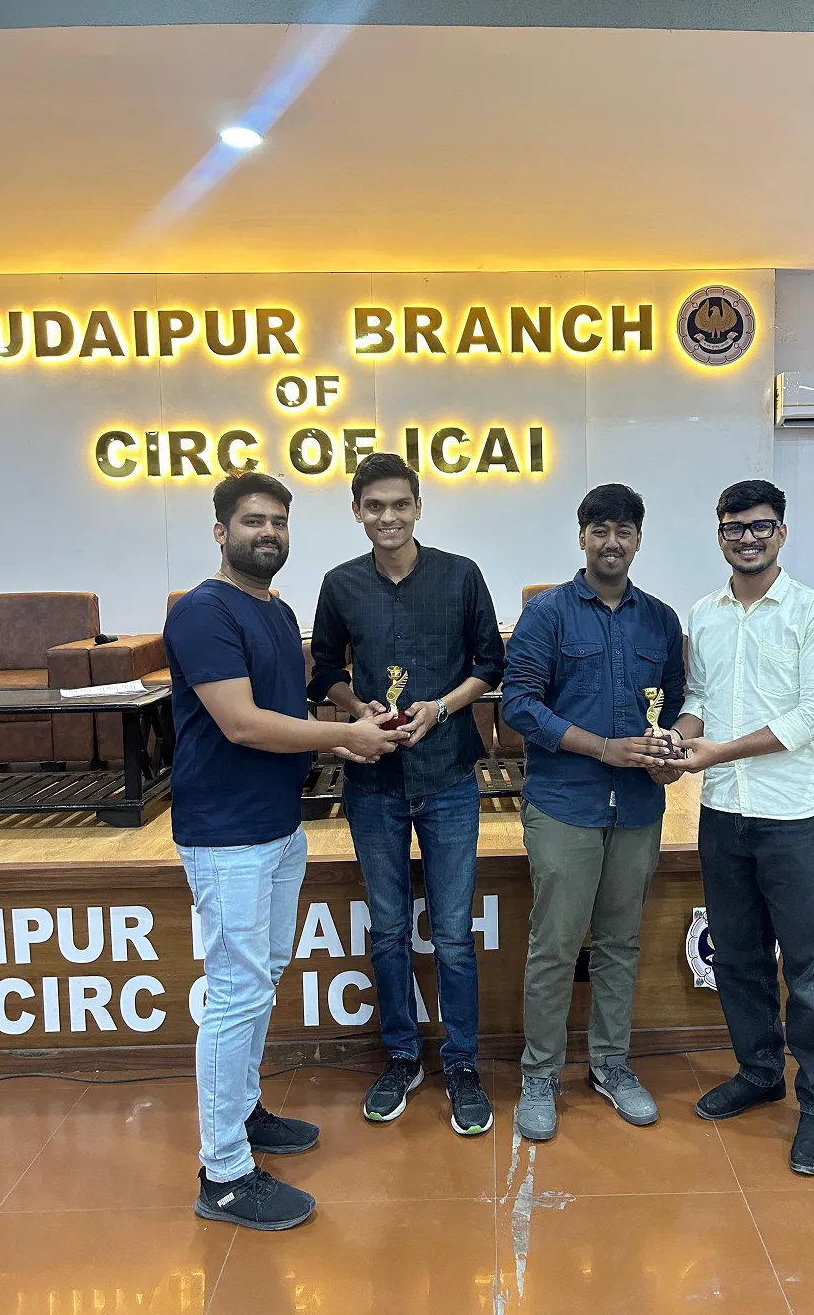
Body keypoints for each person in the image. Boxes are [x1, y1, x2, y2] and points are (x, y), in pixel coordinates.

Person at [164, 472, 401, 1231]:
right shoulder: (202, 611)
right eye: (253, 521)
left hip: (276, 826)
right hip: (225, 833)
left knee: (260, 979)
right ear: (220, 531)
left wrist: (349, 730)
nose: (268, 533)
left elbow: (285, 711)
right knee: (235, 993)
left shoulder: (275, 608)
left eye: (279, 522)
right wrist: (341, 734)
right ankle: (224, 1173)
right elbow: (240, 722)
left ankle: (243, 1111)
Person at [309, 453, 505, 1136]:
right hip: (373, 783)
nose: (387, 517)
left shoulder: (460, 574)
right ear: (357, 511)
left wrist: (442, 707)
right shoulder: (340, 584)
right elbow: (324, 670)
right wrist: (356, 709)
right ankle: (401, 1056)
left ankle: (461, 1063)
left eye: (399, 504)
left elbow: (490, 664)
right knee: (389, 929)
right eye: (374, 506)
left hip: (448, 776)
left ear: (418, 507)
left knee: (452, 934)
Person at [658, 479, 814, 1176]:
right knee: (737, 958)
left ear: (781, 533)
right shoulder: (704, 614)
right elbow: (700, 698)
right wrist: (677, 740)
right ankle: (760, 1071)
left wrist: (718, 753)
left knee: (809, 971)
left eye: (759, 526)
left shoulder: (813, 612)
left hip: (791, 817)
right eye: (734, 527)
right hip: (723, 815)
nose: (747, 538)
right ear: (719, 536)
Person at [501, 483, 685, 1142]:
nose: (611, 542)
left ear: (638, 539)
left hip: (637, 806)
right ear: (582, 536)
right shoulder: (547, 614)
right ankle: (540, 1074)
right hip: (565, 805)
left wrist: (671, 750)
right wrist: (602, 746)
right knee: (554, 946)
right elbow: (518, 704)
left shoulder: (660, 620)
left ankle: (610, 1064)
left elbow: (678, 703)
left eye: (623, 531)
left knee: (620, 943)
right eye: (600, 530)